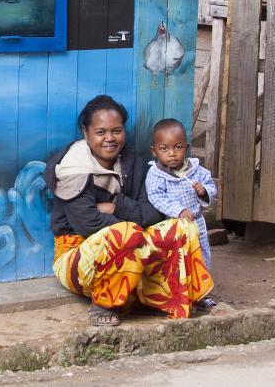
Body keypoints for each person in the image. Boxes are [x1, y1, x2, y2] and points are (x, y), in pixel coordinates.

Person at [45, 95, 214, 326]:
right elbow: (87, 224)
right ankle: (104, 303)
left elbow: (153, 213)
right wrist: (132, 223)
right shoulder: (73, 167)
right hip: (78, 259)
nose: (110, 139)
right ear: (85, 132)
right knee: (125, 232)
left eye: (116, 131)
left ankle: (164, 299)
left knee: (181, 225)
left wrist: (115, 205)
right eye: (101, 132)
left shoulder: (133, 163)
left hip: (132, 247)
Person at [144, 118, 218, 311]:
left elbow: (211, 186)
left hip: (198, 224)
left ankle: (202, 294)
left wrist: (203, 191)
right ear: (154, 151)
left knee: (201, 258)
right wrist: (178, 211)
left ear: (186, 147)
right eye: (164, 149)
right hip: (174, 228)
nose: (172, 154)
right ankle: (182, 296)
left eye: (177, 147)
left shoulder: (195, 169)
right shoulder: (156, 174)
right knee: (178, 262)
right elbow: (156, 197)